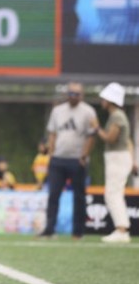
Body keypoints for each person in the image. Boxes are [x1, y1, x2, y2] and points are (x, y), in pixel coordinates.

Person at [39, 82, 97, 240]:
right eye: (71, 93)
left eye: (76, 94)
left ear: (82, 95)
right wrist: (50, 152)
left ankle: (78, 232)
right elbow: (52, 133)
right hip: (58, 159)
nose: (73, 97)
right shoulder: (58, 111)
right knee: (53, 195)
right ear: (67, 94)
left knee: (79, 196)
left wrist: (84, 156)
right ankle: (50, 230)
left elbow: (92, 135)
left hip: (77, 160)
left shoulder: (88, 111)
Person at [94, 83, 135, 243]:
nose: (102, 100)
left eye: (104, 98)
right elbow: (129, 141)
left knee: (113, 193)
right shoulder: (119, 115)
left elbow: (110, 138)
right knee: (114, 193)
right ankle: (122, 228)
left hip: (117, 157)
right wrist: (133, 161)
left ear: (110, 100)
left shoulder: (117, 116)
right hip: (120, 157)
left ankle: (122, 230)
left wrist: (96, 128)